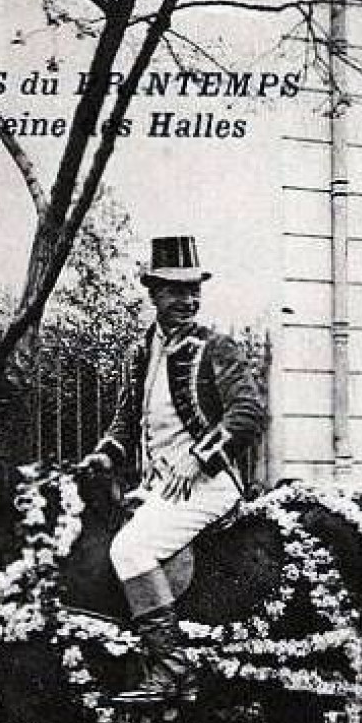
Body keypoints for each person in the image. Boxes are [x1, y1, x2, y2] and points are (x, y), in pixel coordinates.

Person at [81, 235, 266, 697]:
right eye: (175, 291)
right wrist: (105, 454)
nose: (188, 300)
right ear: (154, 294)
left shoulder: (215, 347)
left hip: (207, 485)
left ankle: (171, 665)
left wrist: (198, 458)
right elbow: (127, 420)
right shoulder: (142, 352)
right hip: (158, 488)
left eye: (193, 290)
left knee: (130, 552)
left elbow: (248, 414)